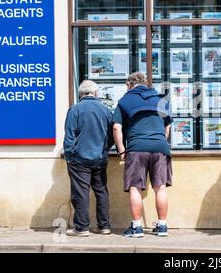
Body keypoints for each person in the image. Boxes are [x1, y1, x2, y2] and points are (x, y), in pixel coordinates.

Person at [113, 72, 172, 238]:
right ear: (145, 84)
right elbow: (167, 128)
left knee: (135, 187)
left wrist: (121, 150)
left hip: (136, 148)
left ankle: (137, 228)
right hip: (160, 147)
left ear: (129, 85)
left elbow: (117, 127)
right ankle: (162, 226)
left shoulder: (125, 100)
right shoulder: (161, 100)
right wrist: (159, 142)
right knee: (159, 187)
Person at [63, 80, 114, 237]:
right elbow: (112, 136)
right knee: (101, 191)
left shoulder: (75, 110)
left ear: (80, 94)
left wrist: (70, 156)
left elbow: (69, 136)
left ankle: (81, 228)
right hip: (100, 158)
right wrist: (104, 149)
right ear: (96, 93)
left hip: (79, 160)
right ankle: (104, 226)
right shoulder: (106, 110)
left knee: (81, 193)